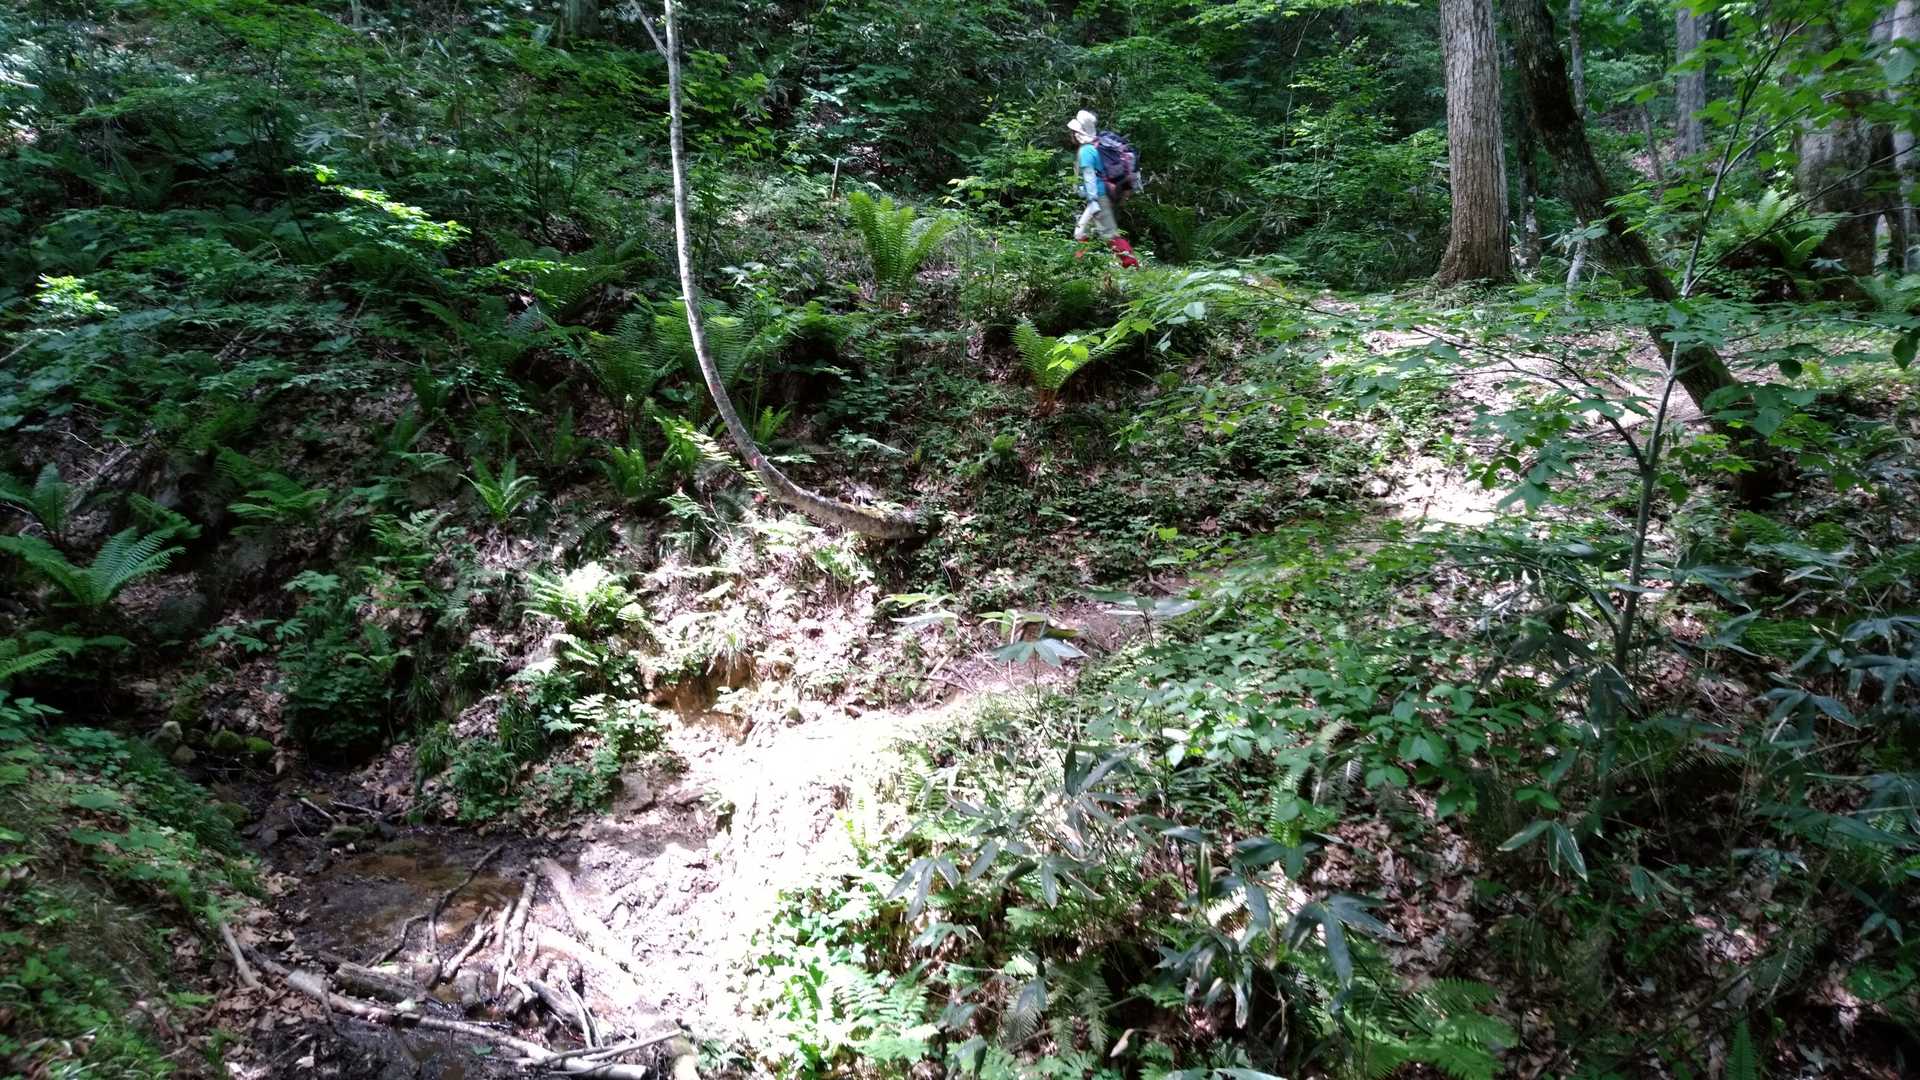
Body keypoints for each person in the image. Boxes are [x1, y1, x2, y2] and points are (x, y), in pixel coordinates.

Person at [1067, 109, 1141, 268]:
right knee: (1081, 233)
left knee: (1109, 234)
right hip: (1099, 196)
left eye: (1073, 132)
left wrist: (1093, 200)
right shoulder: (1092, 148)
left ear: (1078, 133)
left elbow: (1090, 176)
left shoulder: (1086, 151)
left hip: (1098, 197)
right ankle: (1078, 267)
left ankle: (1132, 266)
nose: (1071, 135)